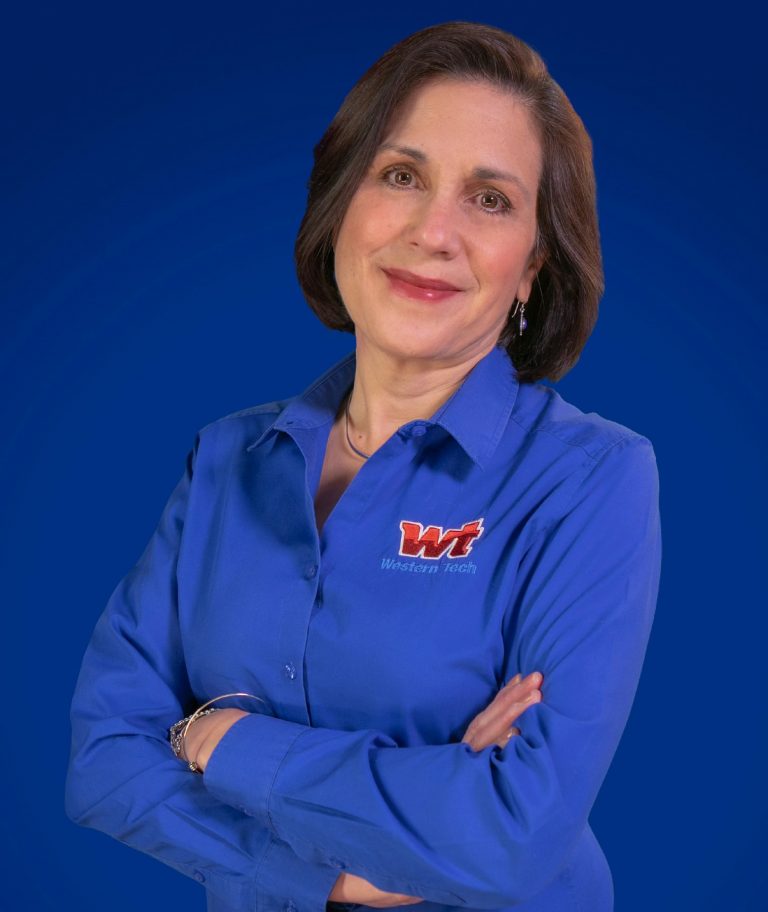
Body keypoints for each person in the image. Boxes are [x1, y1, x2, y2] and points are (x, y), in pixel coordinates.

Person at [65, 20, 662, 912]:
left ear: (533, 266)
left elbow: (513, 835)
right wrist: (339, 871)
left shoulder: (590, 480)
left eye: (490, 199)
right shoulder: (227, 461)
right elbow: (103, 759)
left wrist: (219, 739)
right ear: (342, 201)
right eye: (402, 176)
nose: (434, 231)